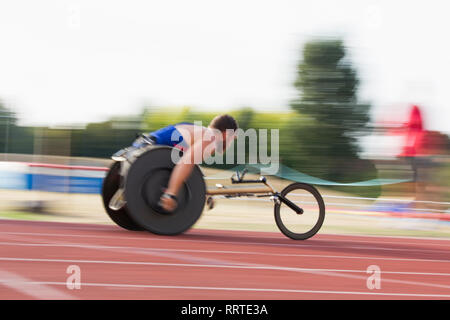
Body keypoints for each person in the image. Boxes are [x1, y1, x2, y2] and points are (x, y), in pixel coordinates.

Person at [109, 114, 238, 212]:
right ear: (226, 134)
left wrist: (202, 193)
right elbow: (186, 162)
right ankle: (131, 188)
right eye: (233, 138)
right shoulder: (211, 138)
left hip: (141, 147)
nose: (232, 142)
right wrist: (171, 194)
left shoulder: (200, 131)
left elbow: (190, 170)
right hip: (149, 153)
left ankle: (128, 186)